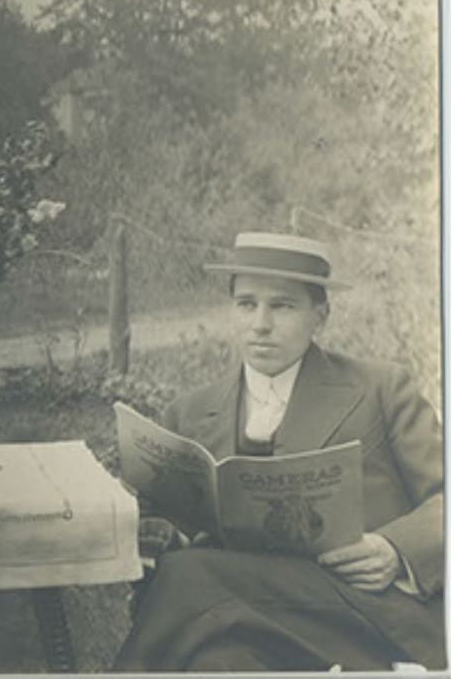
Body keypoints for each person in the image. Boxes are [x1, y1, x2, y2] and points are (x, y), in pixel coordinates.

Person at [114, 232, 445, 672]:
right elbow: (160, 525)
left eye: (282, 306)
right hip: (239, 616)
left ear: (320, 316)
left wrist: (394, 549)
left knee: (188, 575)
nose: (261, 323)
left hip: (358, 613)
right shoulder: (189, 412)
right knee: (216, 663)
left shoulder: (381, 389)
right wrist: (160, 533)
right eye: (246, 304)